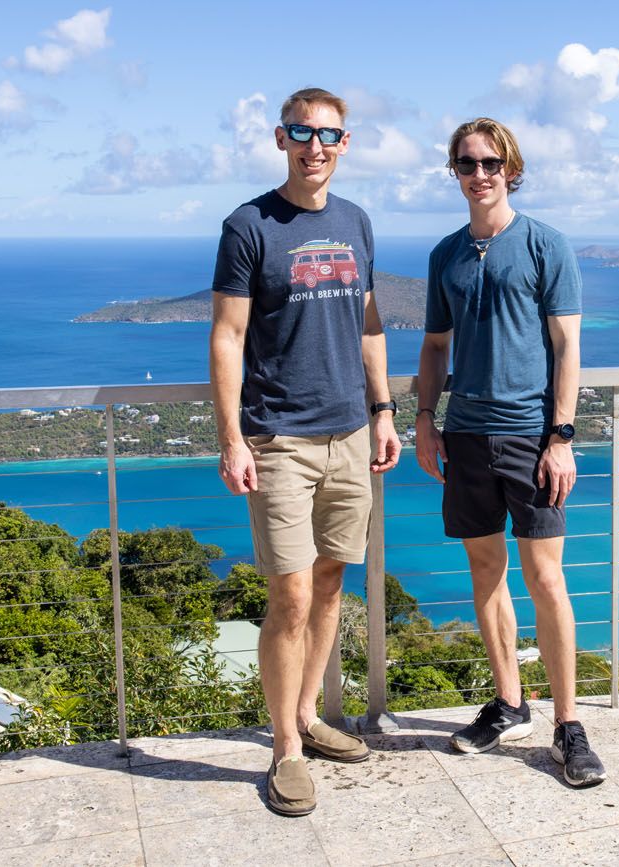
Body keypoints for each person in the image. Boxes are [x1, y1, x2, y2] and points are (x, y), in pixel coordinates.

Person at [210, 86, 401, 816]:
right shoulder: (249, 224)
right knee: (289, 594)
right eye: (301, 132)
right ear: (281, 138)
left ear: (345, 143)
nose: (314, 146)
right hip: (280, 438)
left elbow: (369, 325)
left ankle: (312, 717)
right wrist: (231, 437)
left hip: (351, 432)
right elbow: (227, 336)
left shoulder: (356, 222)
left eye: (328, 134)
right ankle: (284, 746)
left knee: (330, 585)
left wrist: (383, 411)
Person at [415, 117, 605, 787]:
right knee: (485, 570)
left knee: (546, 578)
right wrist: (423, 418)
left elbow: (566, 347)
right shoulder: (447, 256)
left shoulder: (547, 245)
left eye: (491, 163)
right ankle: (509, 701)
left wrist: (561, 437)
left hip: (531, 435)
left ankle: (568, 725)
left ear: (512, 169)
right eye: (467, 164)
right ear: (456, 173)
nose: (480, 174)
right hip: (465, 431)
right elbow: (436, 348)